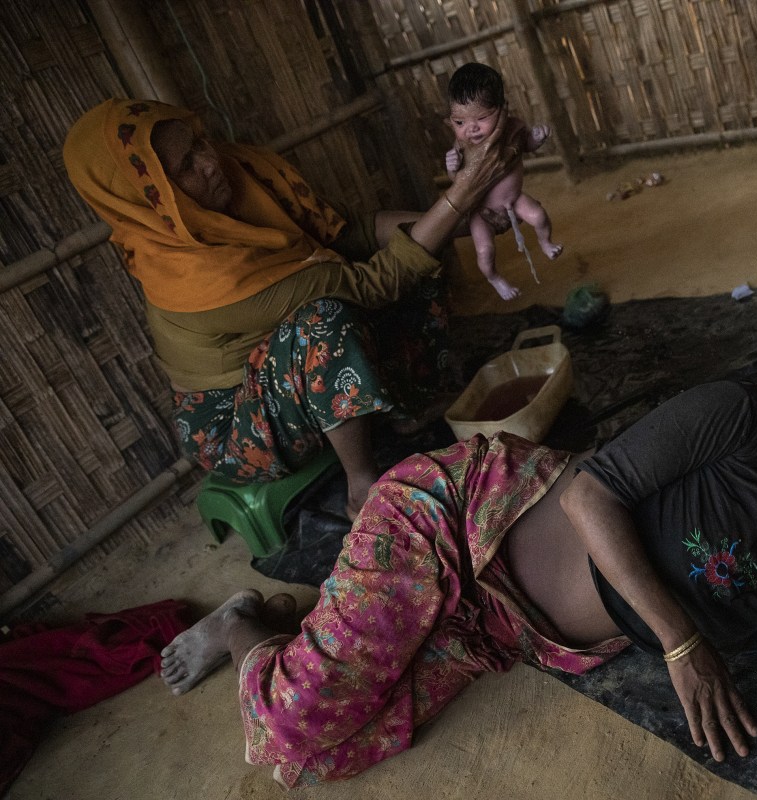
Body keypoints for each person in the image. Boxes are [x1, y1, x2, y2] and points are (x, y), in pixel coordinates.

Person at [159, 376, 757, 786]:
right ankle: (243, 623)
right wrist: (684, 642)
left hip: (502, 631)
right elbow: (592, 495)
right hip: (455, 519)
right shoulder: (740, 422)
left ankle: (295, 621)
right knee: (286, 725)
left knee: (332, 753)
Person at [63, 98, 523, 518]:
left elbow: (349, 234)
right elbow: (368, 286)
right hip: (235, 424)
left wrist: (465, 222)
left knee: (423, 253)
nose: (210, 162)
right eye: (185, 166)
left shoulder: (246, 183)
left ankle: (409, 406)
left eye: (199, 142)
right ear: (151, 197)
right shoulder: (191, 276)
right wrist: (459, 195)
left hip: (285, 367)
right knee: (324, 321)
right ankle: (361, 485)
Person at [444, 62, 562, 301]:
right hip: (481, 210)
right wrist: (452, 166)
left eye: (481, 118)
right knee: (485, 251)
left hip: (513, 200)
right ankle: (494, 278)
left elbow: (525, 145)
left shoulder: (513, 128)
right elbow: (457, 182)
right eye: (460, 122)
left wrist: (536, 139)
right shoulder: (462, 147)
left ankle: (545, 242)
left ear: (501, 109)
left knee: (539, 216)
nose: (471, 129)